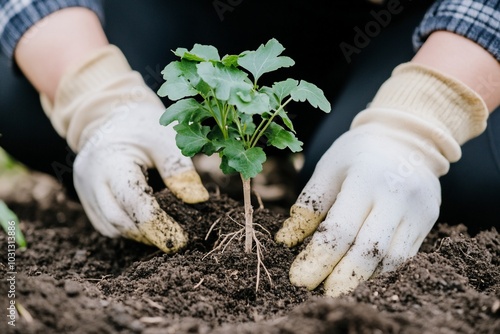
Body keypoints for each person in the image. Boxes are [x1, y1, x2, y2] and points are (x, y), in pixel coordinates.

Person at [0, 0, 499, 297]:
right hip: (194, 12)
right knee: (17, 94)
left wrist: (421, 123)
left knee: (463, 181)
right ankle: (144, 162)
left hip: (413, 29)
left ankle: (360, 128)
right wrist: (93, 94)